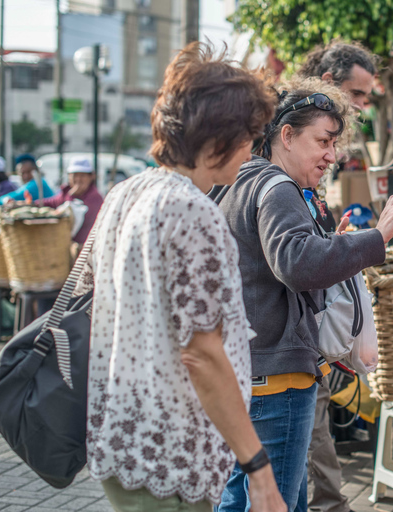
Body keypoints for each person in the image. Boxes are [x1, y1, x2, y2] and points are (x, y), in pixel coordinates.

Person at [75, 43, 285, 512]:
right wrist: (258, 468)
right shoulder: (192, 211)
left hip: (123, 437)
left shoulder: (127, 192)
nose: (252, 148)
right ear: (216, 139)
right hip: (170, 455)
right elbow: (203, 353)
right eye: (248, 135)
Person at [213, 76, 393, 512]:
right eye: (323, 141)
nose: (330, 156)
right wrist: (375, 238)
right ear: (286, 135)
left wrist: (331, 244)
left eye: (334, 145)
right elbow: (296, 263)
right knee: (276, 503)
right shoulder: (279, 187)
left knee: (235, 501)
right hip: (277, 381)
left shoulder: (237, 182)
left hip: (237, 373)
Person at [298, 41, 378, 512]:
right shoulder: (284, 160)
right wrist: (372, 238)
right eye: (358, 94)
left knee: (315, 414)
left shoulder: (314, 154)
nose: (364, 107)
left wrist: (330, 235)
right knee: (305, 419)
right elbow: (292, 252)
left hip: (308, 320)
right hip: (288, 328)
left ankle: (330, 502)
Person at [39, 157, 103, 245]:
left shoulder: (95, 197)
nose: (78, 179)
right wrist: (32, 203)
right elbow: (52, 202)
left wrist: (71, 196)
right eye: (75, 175)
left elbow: (75, 216)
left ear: (91, 177)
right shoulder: (66, 192)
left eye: (82, 175)